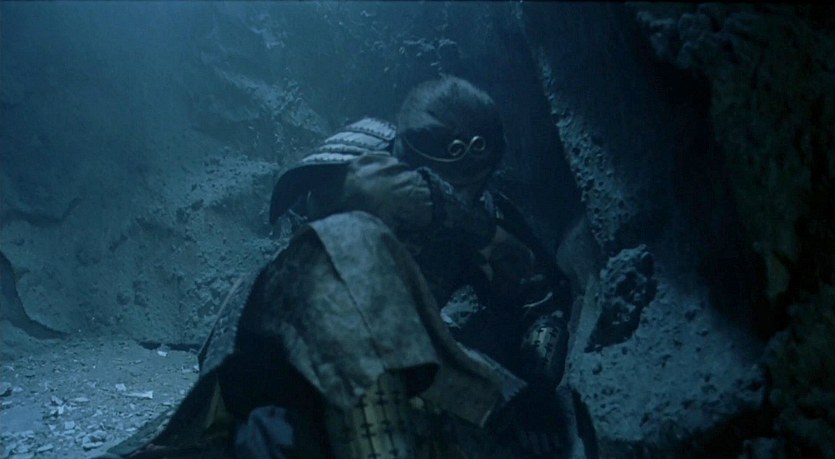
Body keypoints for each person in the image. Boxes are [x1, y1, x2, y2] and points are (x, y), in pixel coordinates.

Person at [100, 76, 573, 459]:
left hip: (380, 365)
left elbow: (539, 300)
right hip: (291, 333)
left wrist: (536, 388)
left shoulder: (492, 217)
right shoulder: (368, 156)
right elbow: (361, 197)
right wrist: (472, 225)